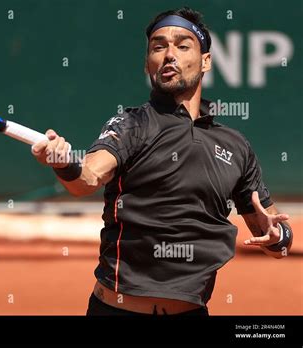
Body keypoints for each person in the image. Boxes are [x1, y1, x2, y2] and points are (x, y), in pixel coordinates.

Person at [31, 7, 293, 316]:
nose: (169, 54)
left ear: (206, 61)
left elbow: (278, 242)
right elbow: (85, 179)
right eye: (158, 46)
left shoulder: (235, 146)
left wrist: (278, 236)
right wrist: (64, 162)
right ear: (148, 64)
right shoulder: (131, 124)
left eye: (182, 45)